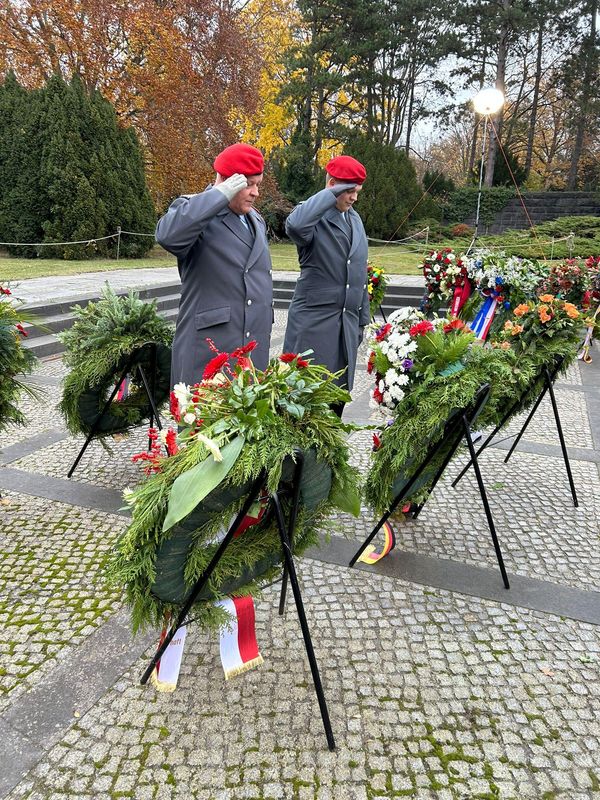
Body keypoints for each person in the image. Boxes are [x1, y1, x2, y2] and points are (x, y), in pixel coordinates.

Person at [155, 143, 273, 387]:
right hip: (209, 349)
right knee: (201, 423)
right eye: (248, 184)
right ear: (225, 180)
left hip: (250, 351)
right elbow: (168, 236)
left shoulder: (255, 220)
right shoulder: (194, 210)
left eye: (257, 185)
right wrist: (219, 194)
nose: (255, 193)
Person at [283, 155, 370, 416]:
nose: (354, 198)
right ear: (332, 185)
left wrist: (361, 320)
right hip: (313, 325)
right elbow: (295, 226)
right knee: (305, 404)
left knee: (335, 402)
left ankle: (326, 458)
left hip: (345, 326)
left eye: (357, 192)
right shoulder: (312, 216)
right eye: (349, 191)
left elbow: (358, 271)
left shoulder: (354, 219)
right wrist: (330, 193)